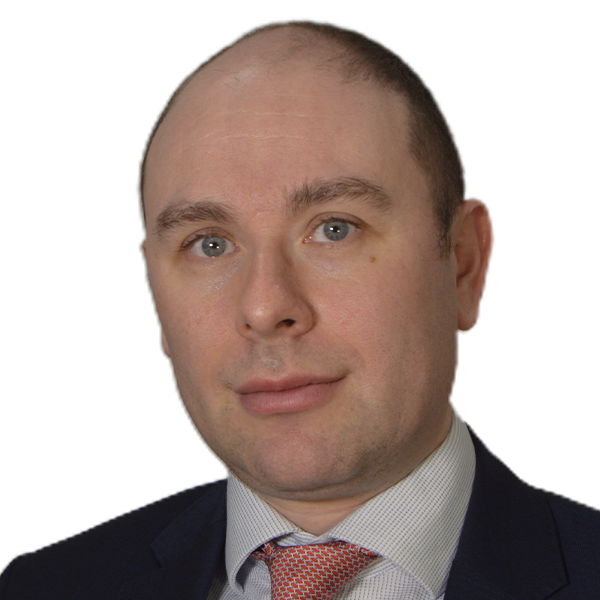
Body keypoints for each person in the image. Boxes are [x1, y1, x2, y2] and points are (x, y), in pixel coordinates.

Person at [1, 19, 599, 600]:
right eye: (209, 244)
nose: (264, 308)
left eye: (335, 228)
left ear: (463, 263)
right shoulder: (39, 587)